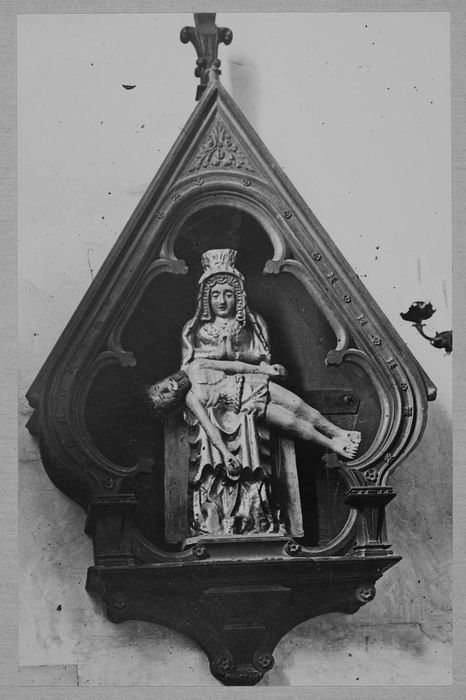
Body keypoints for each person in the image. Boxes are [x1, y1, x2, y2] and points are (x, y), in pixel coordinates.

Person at [147, 249, 361, 538]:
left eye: (227, 293)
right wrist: (226, 453)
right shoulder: (192, 381)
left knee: (297, 404)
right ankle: (332, 443)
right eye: (215, 295)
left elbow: (236, 363)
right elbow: (208, 427)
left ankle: (339, 432)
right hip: (239, 403)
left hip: (251, 382)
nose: (222, 300)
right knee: (289, 421)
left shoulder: (217, 351)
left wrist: (265, 370)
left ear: (238, 295)